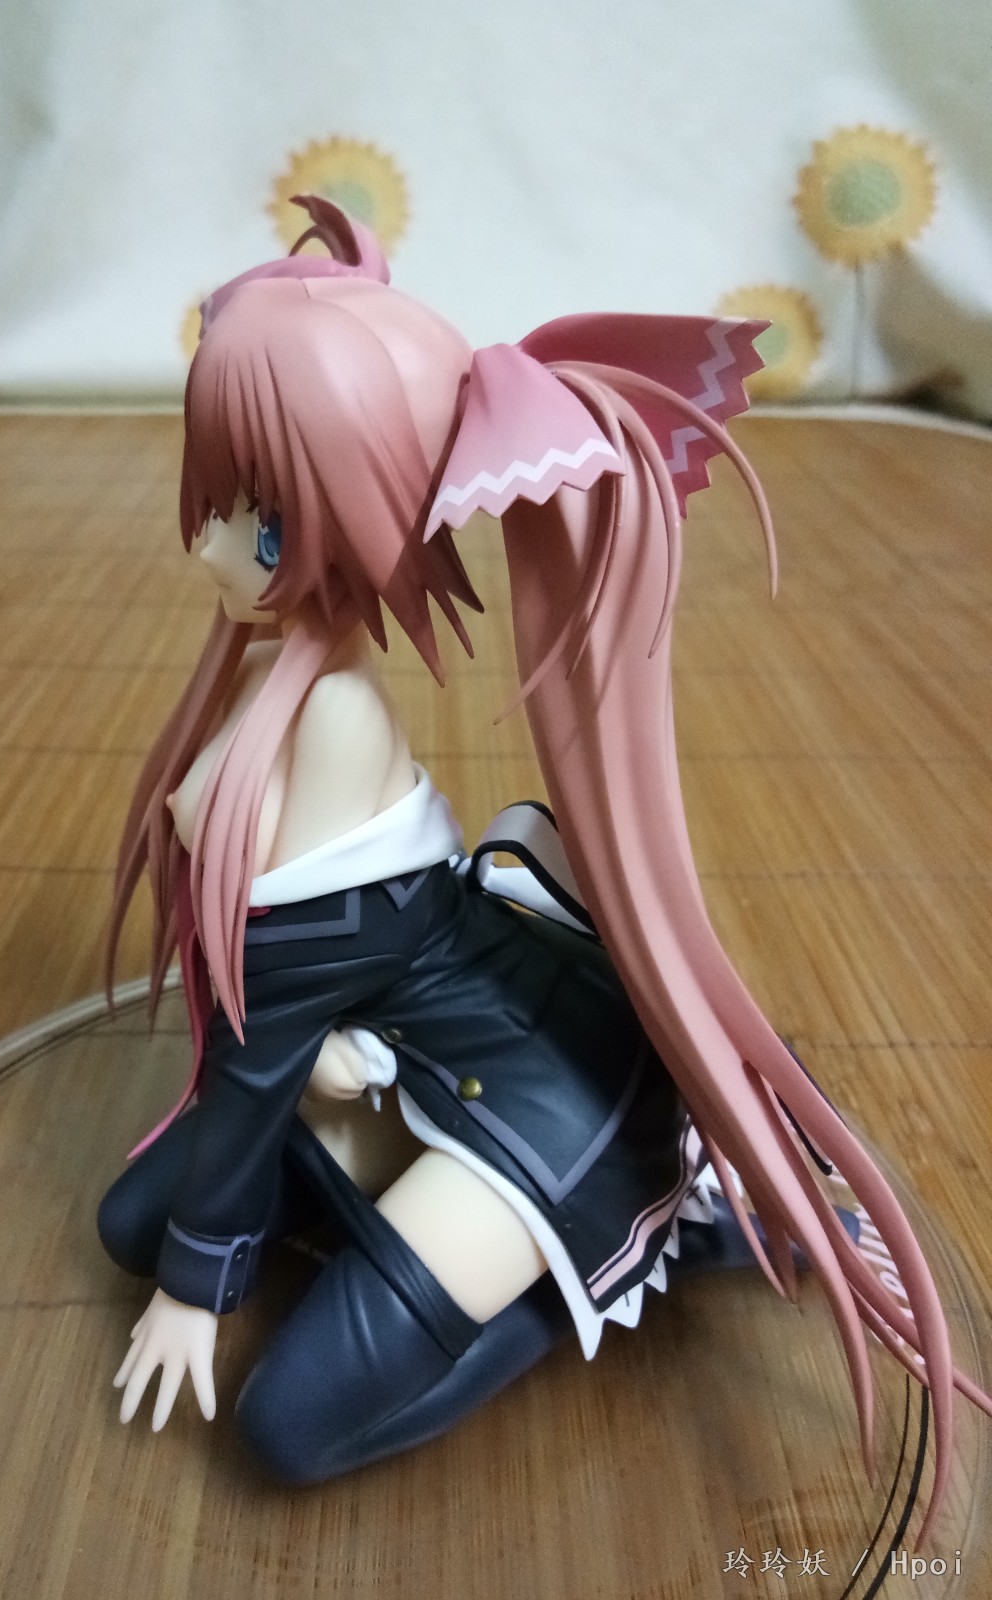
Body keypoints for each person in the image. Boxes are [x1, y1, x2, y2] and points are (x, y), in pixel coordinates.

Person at [98, 197, 989, 1527]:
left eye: (264, 527)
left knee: (284, 1424)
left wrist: (201, 1284)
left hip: (541, 1104)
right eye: (218, 504)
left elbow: (258, 1038)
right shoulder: (271, 681)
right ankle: (400, 1191)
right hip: (405, 1028)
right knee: (129, 1223)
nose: (210, 547)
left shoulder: (331, 719)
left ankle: (643, 1238)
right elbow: (272, 1021)